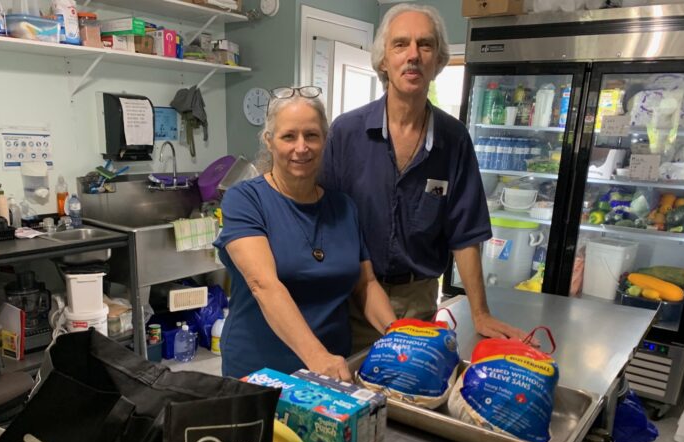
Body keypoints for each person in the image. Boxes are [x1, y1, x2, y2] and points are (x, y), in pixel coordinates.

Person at [320, 3, 528, 353]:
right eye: (400, 44)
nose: (413, 55)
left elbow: (465, 234)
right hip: (349, 300)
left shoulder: (454, 139)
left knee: (406, 398)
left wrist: (480, 312)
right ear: (383, 60)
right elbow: (322, 220)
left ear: (438, 61)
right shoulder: (346, 133)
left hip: (419, 301)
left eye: (425, 45)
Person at [213, 86, 396, 380]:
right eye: (289, 136)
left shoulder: (343, 207)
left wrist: (397, 334)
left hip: (333, 369)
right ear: (269, 142)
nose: (301, 147)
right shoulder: (245, 200)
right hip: (261, 372)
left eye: (311, 135)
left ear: (325, 141)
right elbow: (263, 284)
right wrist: (315, 356)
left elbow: (365, 285)